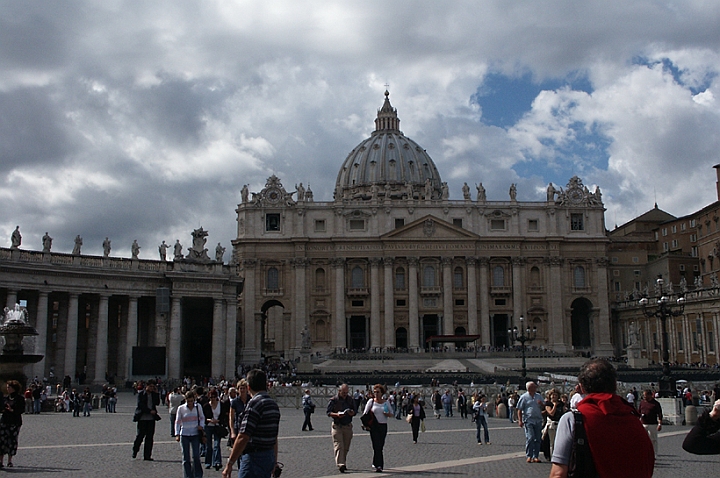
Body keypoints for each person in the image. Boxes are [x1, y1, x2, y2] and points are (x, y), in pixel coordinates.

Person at [549, 358, 655, 478]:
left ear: (582, 388)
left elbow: (558, 474)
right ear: (614, 385)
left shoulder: (572, 419)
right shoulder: (634, 420)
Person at [222, 369, 281, 478]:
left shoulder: (254, 404)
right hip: (268, 456)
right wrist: (275, 461)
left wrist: (230, 463)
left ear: (248, 387)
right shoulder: (273, 405)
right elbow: (274, 437)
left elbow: (243, 436)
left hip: (253, 458)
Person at [363, 384, 393, 472]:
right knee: (376, 445)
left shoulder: (386, 402)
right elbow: (365, 413)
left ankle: (375, 462)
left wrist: (387, 414)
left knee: (381, 445)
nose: (376, 394)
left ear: (382, 393)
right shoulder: (371, 402)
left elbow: (392, 413)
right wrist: (366, 425)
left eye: (378, 392)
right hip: (374, 426)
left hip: (383, 426)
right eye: (374, 392)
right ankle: (379, 465)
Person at [327, 383, 356, 473]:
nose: (345, 394)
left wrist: (352, 413)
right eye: (343, 392)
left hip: (347, 425)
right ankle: (341, 464)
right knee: (339, 445)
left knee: (346, 447)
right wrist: (336, 414)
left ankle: (343, 461)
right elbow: (328, 412)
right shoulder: (334, 400)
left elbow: (355, 410)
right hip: (337, 425)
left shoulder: (350, 400)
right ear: (339, 391)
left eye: (346, 392)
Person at [176, 391, 205, 478]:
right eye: (188, 401)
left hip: (195, 433)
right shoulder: (181, 408)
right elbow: (177, 422)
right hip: (184, 434)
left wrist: (201, 426)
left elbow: (202, 417)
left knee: (196, 456)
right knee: (186, 458)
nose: (190, 403)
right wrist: (177, 434)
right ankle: (188, 476)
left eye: (191, 401)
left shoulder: (198, 407)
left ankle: (198, 475)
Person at [516, 381, 545, 463]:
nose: (536, 387)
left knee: (538, 438)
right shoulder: (524, 397)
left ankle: (536, 456)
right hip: (528, 420)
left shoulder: (538, 396)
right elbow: (519, 409)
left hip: (538, 420)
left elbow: (544, 406)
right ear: (529, 388)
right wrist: (520, 420)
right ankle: (529, 455)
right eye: (534, 386)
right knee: (530, 437)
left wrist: (542, 404)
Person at [132, 379, 161, 461]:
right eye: (150, 386)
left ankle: (147, 455)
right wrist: (149, 411)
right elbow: (140, 405)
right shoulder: (141, 394)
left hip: (151, 419)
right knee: (140, 436)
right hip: (142, 418)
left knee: (150, 437)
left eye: (153, 387)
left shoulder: (153, 394)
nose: (152, 388)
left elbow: (157, 403)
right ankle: (135, 450)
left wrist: (156, 393)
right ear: (146, 386)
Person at [0, 380, 24, 468]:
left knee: (12, 441)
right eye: (7, 387)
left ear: (14, 388)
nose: (7, 389)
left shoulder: (19, 398)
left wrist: (12, 410)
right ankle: (0, 460)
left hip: (15, 422)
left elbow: (21, 410)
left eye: (9, 387)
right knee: (2, 441)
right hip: (4, 421)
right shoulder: (5, 398)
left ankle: (10, 461)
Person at [203, 389, 224, 470]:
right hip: (208, 426)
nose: (213, 399)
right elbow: (203, 417)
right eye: (211, 397)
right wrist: (210, 420)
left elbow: (223, 415)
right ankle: (208, 463)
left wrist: (218, 421)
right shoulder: (206, 406)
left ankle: (217, 462)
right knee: (208, 446)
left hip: (217, 426)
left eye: (214, 397)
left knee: (216, 445)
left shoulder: (221, 405)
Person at [638, 389, 663, 457]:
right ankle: (644, 453)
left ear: (650, 395)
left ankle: (654, 454)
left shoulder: (656, 404)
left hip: (652, 424)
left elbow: (660, 414)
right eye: (643, 395)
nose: (644, 397)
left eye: (645, 395)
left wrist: (659, 424)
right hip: (643, 423)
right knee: (643, 439)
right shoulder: (642, 402)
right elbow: (639, 412)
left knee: (653, 439)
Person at [544, 389, 564, 456]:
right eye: (552, 395)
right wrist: (554, 406)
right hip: (552, 424)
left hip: (560, 423)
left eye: (555, 395)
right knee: (552, 442)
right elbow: (551, 413)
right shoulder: (548, 404)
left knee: (560, 441)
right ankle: (553, 456)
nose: (554, 396)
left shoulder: (561, 404)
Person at [229, 380, 249, 446]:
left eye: (244, 388)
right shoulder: (235, 402)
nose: (242, 390)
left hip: (249, 429)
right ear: (238, 390)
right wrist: (232, 432)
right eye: (240, 388)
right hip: (238, 429)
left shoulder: (251, 400)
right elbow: (231, 418)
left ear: (247, 389)